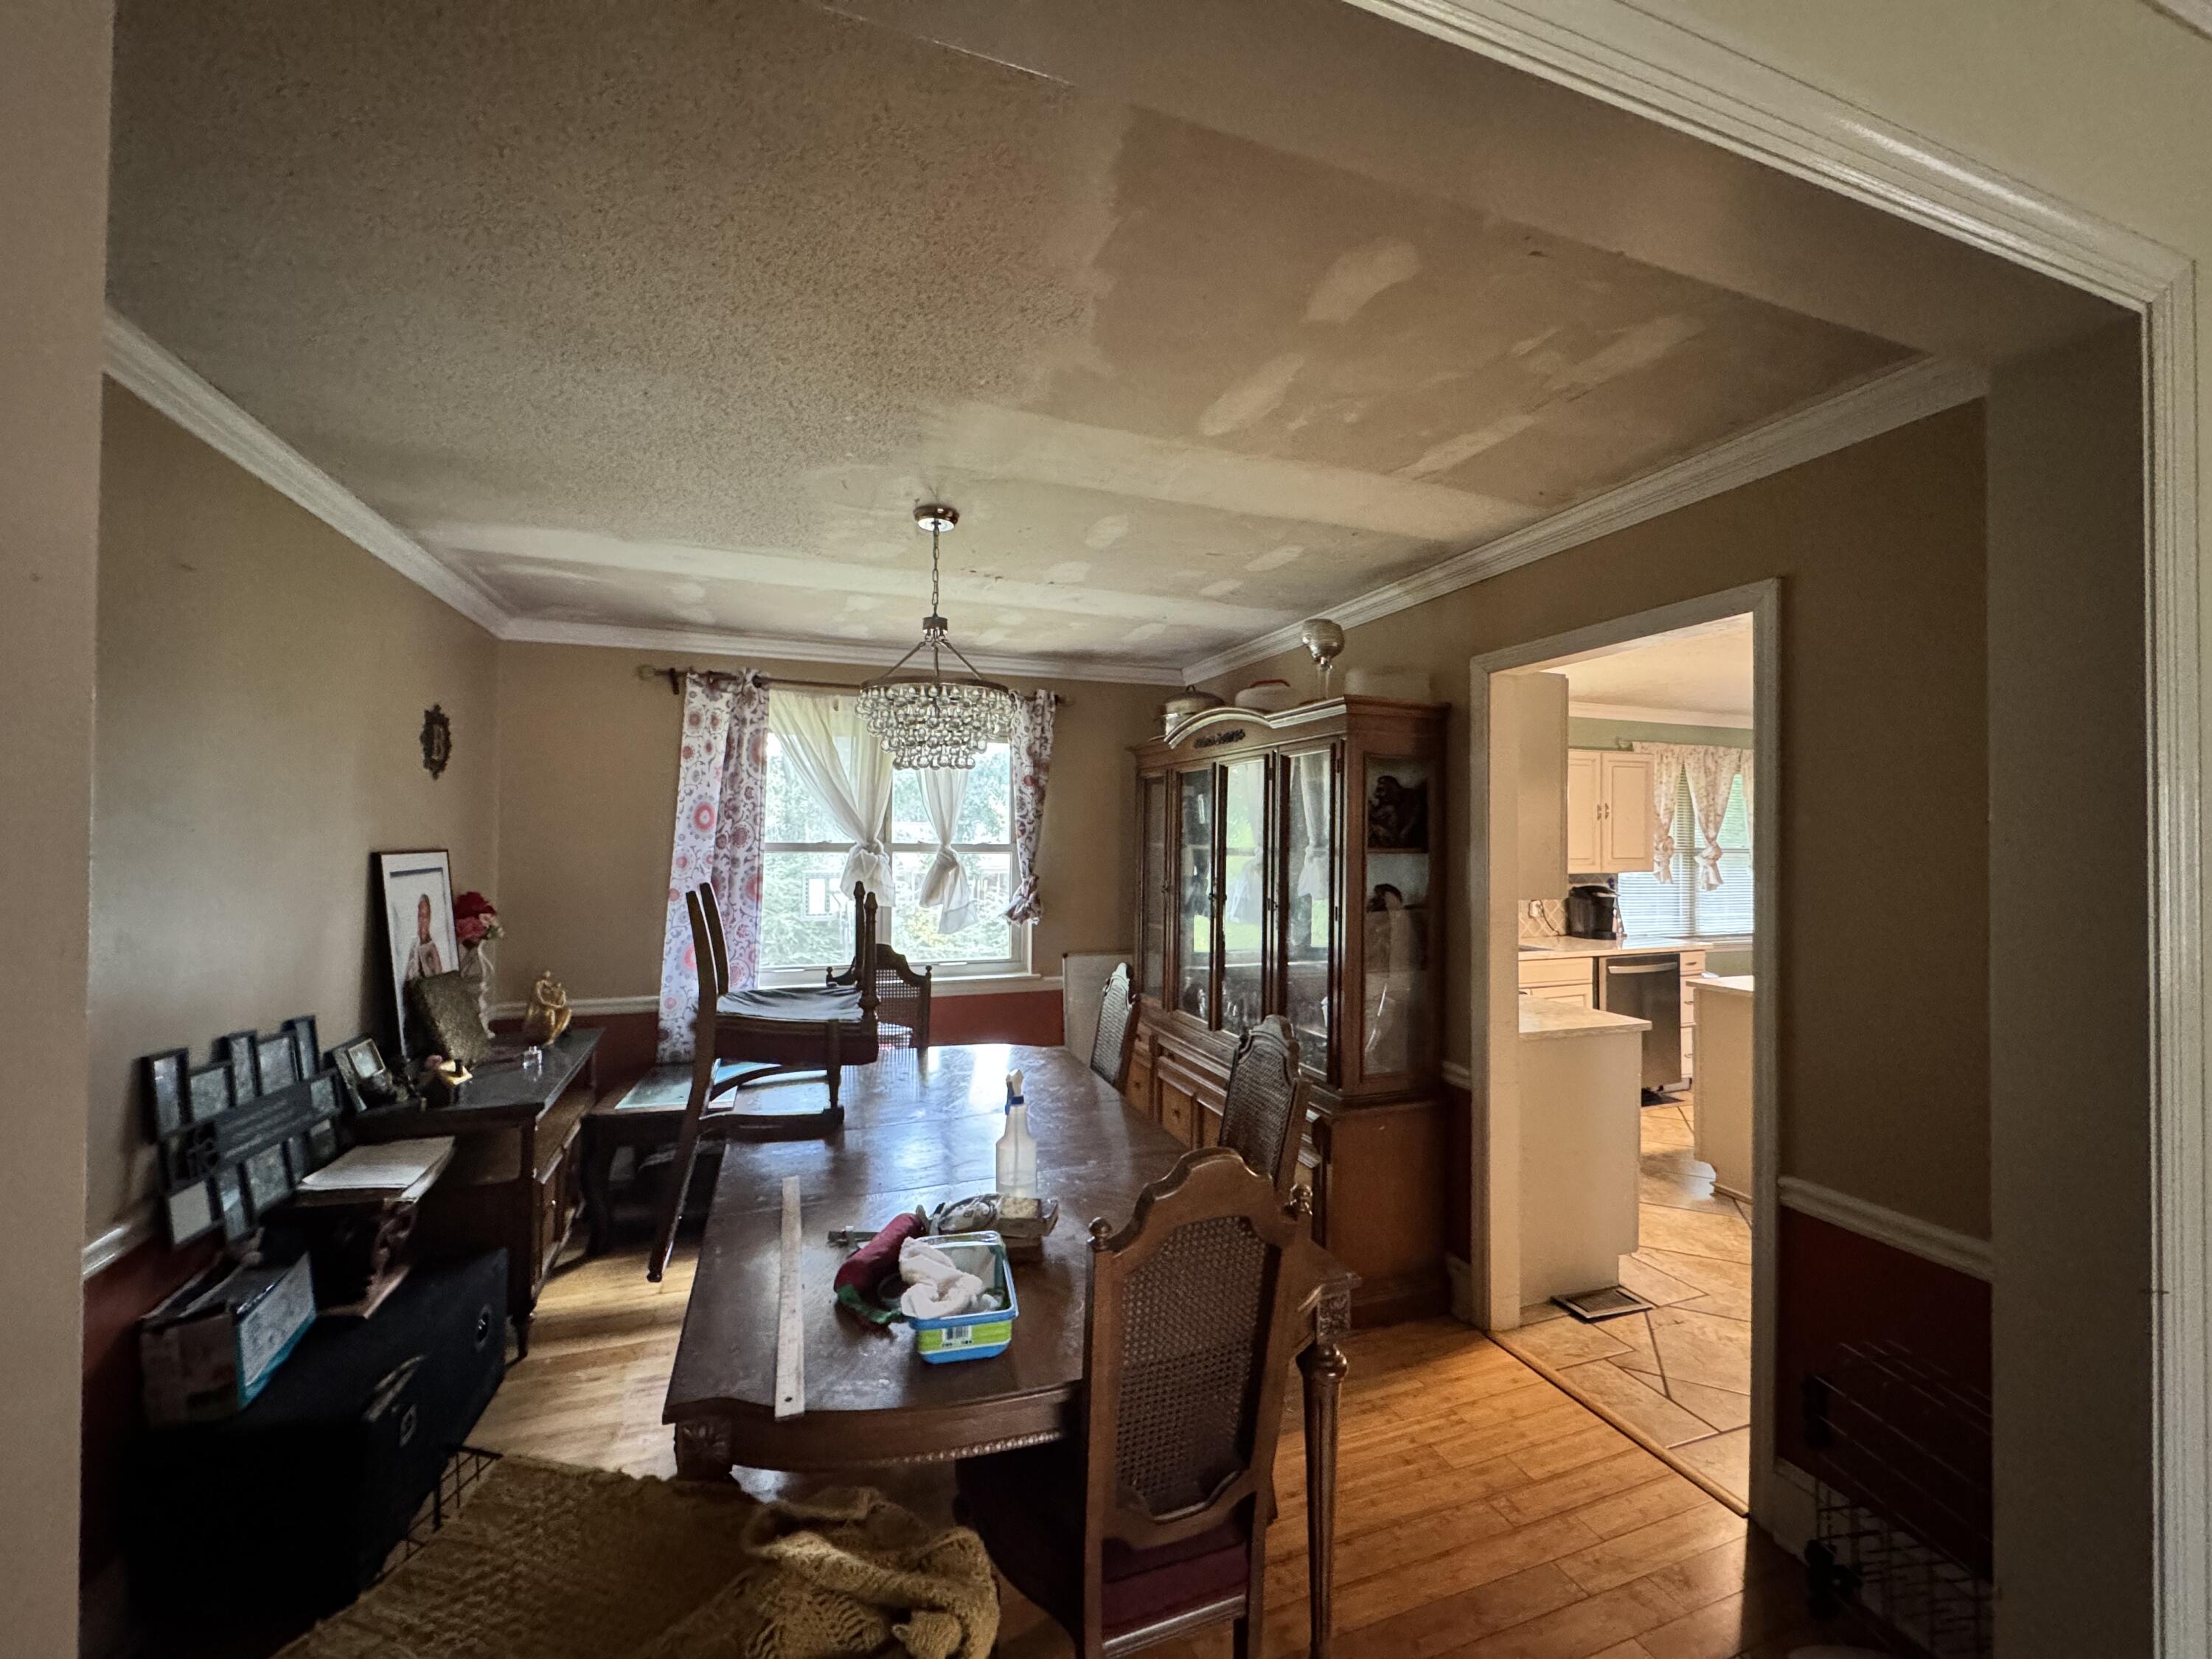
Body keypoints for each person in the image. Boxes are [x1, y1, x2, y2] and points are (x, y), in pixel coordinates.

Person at [404, 892, 445, 981]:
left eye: (426, 916)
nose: (423, 921)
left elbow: (439, 978)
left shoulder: (432, 948)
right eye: (420, 916)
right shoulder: (414, 945)